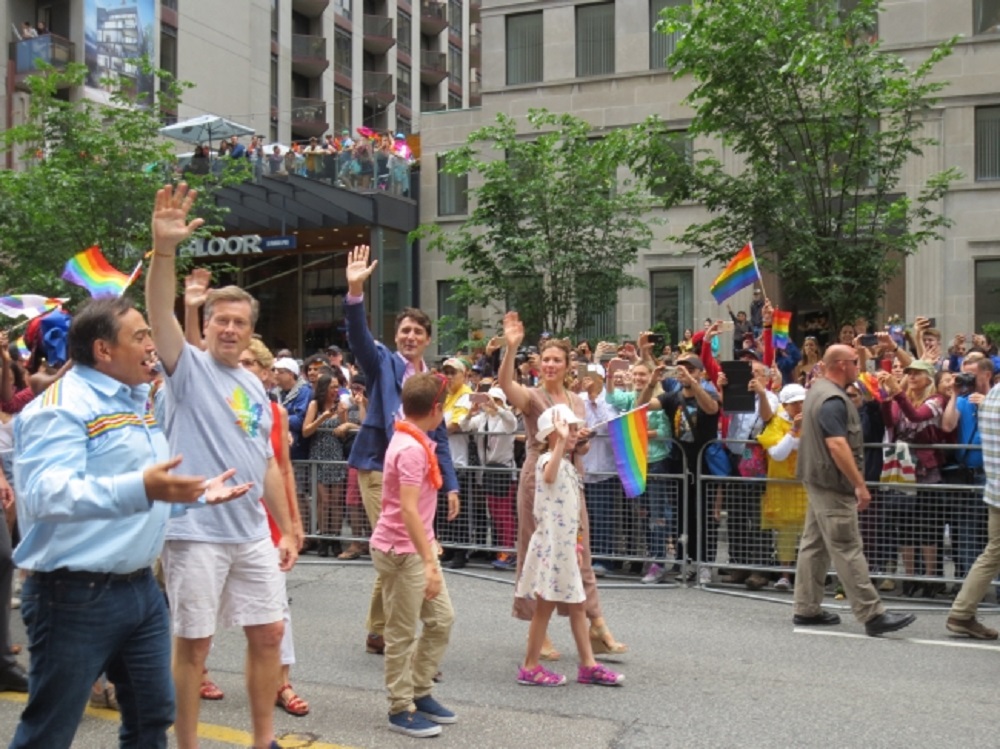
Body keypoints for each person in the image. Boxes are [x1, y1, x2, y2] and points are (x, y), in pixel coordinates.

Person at [9, 297, 251, 749]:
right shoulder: (59, 407)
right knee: (50, 730)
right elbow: (44, 494)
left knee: (152, 714)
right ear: (103, 350)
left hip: (139, 591)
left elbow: (139, 490)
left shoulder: (135, 398)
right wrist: (143, 488)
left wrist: (189, 497)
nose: (151, 344)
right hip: (73, 597)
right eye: (140, 335)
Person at [145, 182, 299, 749]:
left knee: (269, 635)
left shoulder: (256, 389)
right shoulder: (185, 369)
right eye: (220, 320)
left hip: (251, 533)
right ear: (205, 325)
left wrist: (287, 529)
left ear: (251, 330)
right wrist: (165, 252)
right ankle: (185, 744)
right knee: (195, 645)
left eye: (239, 322)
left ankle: (263, 740)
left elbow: (267, 466)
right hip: (195, 534)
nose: (229, 328)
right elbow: (159, 310)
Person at [343, 244, 460, 657]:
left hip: (419, 474)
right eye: (404, 330)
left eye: (418, 332)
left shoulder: (433, 381)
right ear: (396, 335)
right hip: (378, 465)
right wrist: (355, 293)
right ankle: (397, 636)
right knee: (400, 546)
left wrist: (450, 485)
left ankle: (379, 629)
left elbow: (440, 436)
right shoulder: (383, 364)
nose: (410, 337)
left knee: (395, 549)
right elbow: (357, 339)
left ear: (427, 339)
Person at [498, 311, 627, 661]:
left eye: (557, 360)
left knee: (578, 551)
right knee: (534, 553)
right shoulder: (532, 396)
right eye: (546, 360)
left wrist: (580, 439)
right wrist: (511, 350)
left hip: (570, 482)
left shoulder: (578, 401)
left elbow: (579, 446)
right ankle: (536, 630)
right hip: (538, 482)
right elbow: (507, 386)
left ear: (569, 365)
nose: (551, 365)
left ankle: (596, 623)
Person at [791, 344, 916, 637]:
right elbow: (837, 444)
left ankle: (806, 608)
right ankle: (872, 614)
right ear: (840, 365)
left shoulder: (818, 390)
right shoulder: (833, 399)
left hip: (817, 478)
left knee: (814, 544)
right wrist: (859, 484)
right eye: (854, 360)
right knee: (847, 547)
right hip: (832, 483)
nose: (859, 364)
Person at [369, 373, 457, 738]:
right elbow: (407, 509)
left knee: (441, 620)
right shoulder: (408, 449)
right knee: (402, 632)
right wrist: (427, 561)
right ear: (435, 409)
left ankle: (420, 691)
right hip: (401, 551)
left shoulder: (415, 440)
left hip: (415, 547)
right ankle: (399, 707)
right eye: (444, 408)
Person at [515, 404, 624, 688]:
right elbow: (549, 477)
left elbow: (571, 509)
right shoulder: (546, 460)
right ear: (552, 433)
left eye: (575, 429)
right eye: (570, 429)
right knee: (545, 606)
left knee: (577, 605)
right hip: (552, 547)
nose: (575, 434)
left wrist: (576, 542)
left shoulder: (565, 463)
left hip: (563, 546)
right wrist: (562, 440)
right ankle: (530, 666)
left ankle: (588, 665)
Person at [945, 377, 1000, 640]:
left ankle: (962, 613)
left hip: (995, 491)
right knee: (992, 554)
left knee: (991, 554)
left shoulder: (991, 398)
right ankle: (961, 614)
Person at [758, 384, 808, 591]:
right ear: (785, 405)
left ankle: (807, 576)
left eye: (801, 402)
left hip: (805, 483)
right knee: (786, 533)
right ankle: (785, 575)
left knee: (809, 532)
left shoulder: (812, 420)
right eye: (794, 403)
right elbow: (778, 453)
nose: (799, 406)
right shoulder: (776, 423)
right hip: (782, 486)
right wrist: (794, 431)